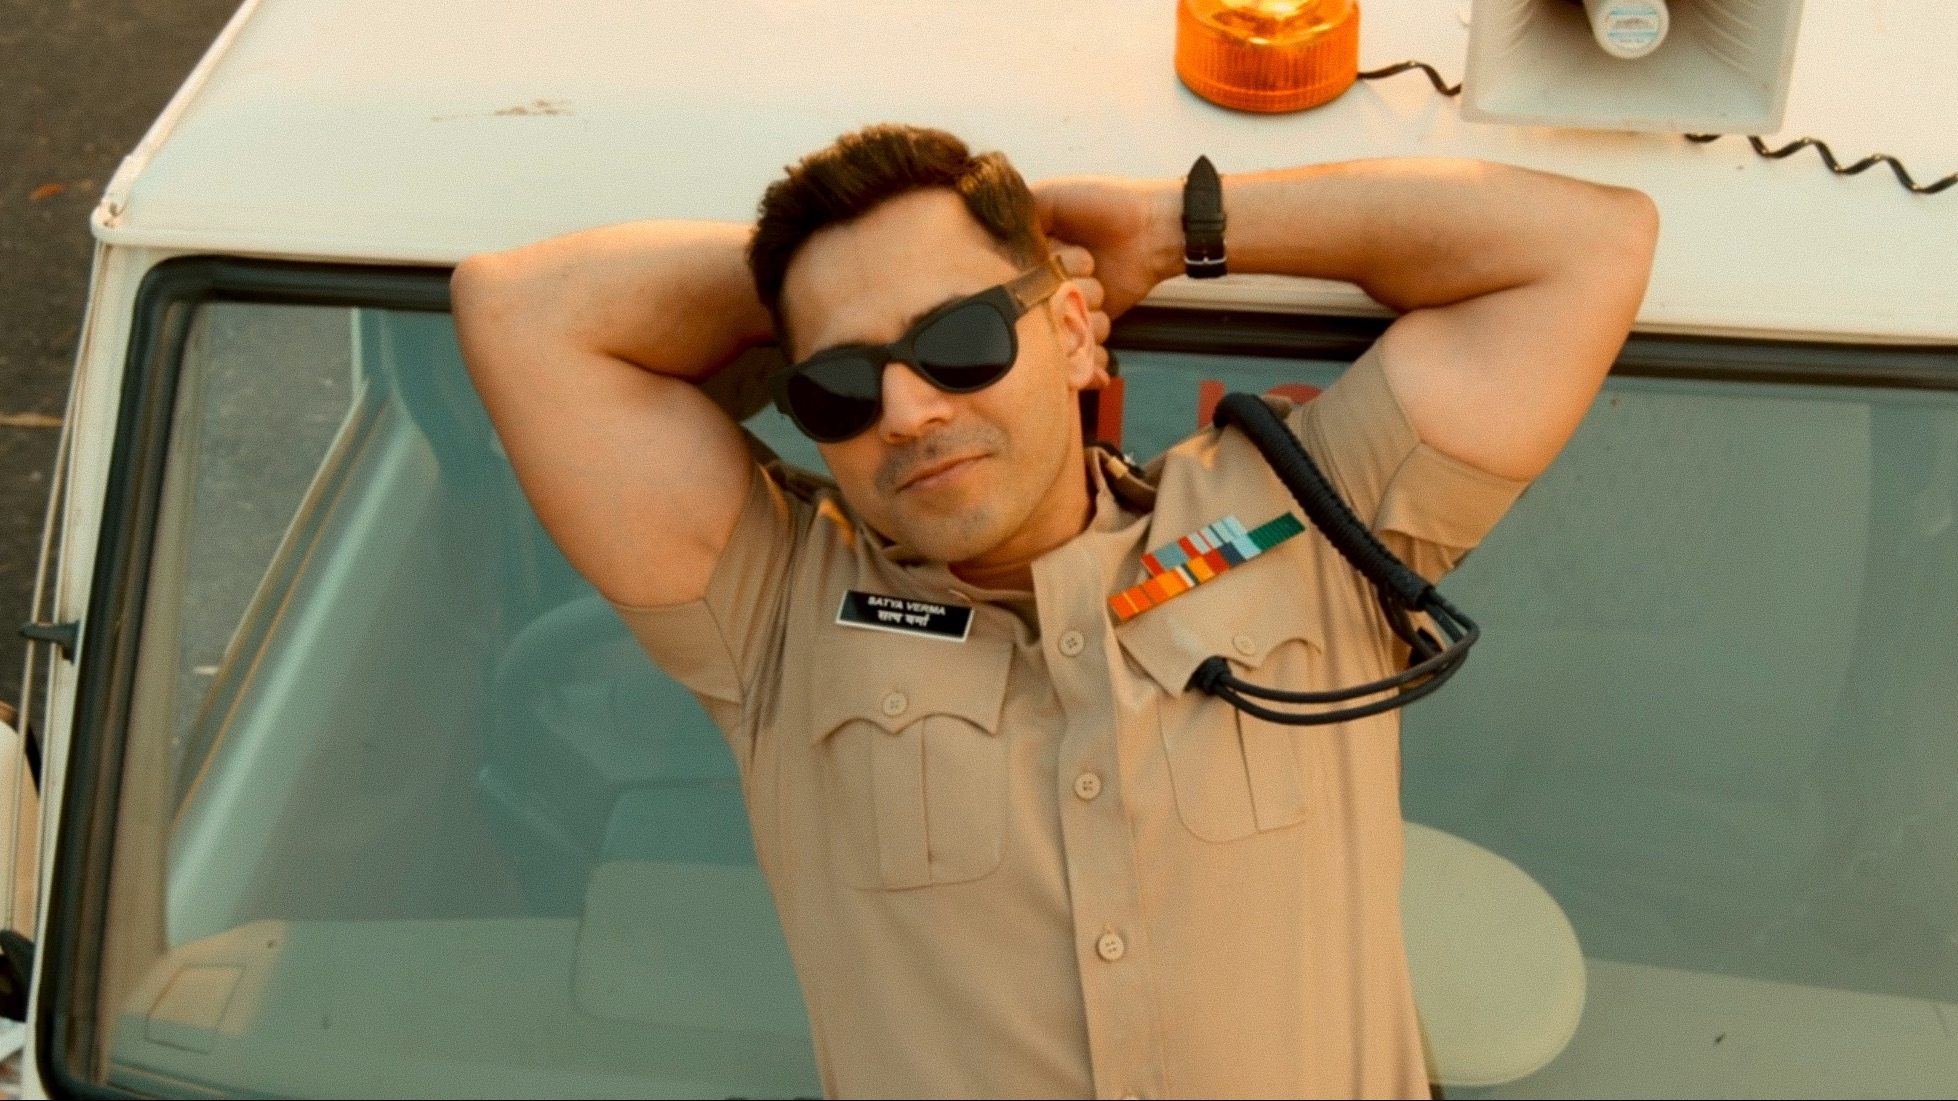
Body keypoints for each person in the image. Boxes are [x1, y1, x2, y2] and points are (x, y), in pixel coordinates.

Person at [451, 123, 1657, 1099]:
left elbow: (1584, 245)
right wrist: (810, 278)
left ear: (1075, 333)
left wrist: (1174, 226)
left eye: (961, 337)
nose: (908, 411)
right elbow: (519, 312)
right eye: (840, 381)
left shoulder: (1306, 518)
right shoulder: (773, 612)